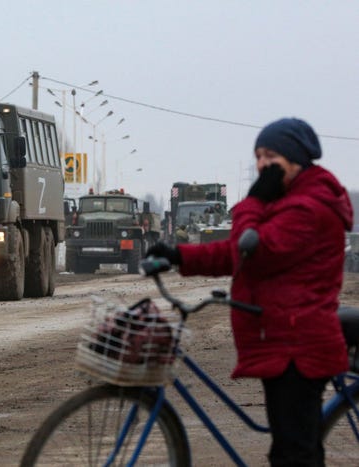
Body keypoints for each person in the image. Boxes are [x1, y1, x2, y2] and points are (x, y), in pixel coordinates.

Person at [147, 117, 353, 466]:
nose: (262, 165)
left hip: (299, 346)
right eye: (258, 156)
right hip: (283, 339)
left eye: (271, 156)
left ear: (295, 159)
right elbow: (236, 251)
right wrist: (178, 255)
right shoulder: (287, 200)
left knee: (293, 454)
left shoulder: (309, 207)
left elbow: (254, 253)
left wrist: (253, 200)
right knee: (292, 448)